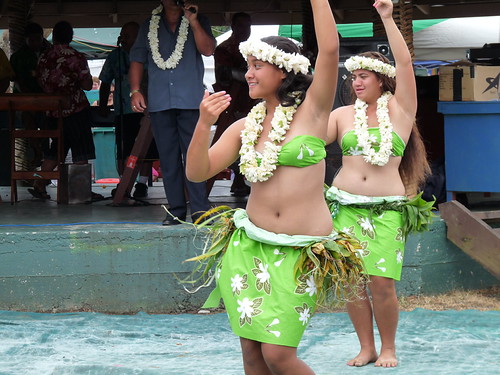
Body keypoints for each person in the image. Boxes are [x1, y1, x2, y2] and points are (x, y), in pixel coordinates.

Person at [186, 1, 366, 374]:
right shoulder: (242, 128)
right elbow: (197, 172)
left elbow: (330, 49)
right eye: (248, 66)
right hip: (249, 248)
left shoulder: (314, 111)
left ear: (284, 73)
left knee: (279, 355)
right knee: (252, 352)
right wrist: (204, 123)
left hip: (299, 253)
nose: (247, 74)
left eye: (256, 66)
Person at [325, 0, 433, 368]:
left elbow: (405, 65)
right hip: (345, 207)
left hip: (386, 210)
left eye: (362, 77)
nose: (354, 82)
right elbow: (306, 144)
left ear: (381, 79)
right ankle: (366, 347)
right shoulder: (340, 116)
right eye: (352, 78)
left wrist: (387, 18)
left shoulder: (401, 112)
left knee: (382, 283)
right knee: (352, 284)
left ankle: (388, 347)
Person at [129, 0, 215, 224]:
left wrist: (193, 22)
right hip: (160, 102)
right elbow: (137, 59)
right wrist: (135, 91)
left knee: (195, 157)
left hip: (190, 101)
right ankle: (176, 210)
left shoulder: (198, 19)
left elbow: (208, 49)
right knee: (168, 159)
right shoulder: (149, 24)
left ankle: (200, 211)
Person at [31, 20, 102, 201]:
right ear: (70, 37)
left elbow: (39, 81)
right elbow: (87, 85)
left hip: (53, 111)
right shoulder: (76, 57)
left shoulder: (44, 58)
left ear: (54, 36)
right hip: (75, 109)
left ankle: (38, 184)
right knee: (81, 150)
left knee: (55, 151)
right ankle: (81, 191)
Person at [99, 21, 158, 199]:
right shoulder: (115, 56)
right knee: (124, 148)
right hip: (123, 109)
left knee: (148, 149)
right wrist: (103, 105)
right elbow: (105, 81)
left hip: (146, 110)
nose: (123, 38)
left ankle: (142, 184)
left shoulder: (149, 55)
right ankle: (124, 183)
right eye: (122, 35)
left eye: (127, 35)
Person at [206, 12, 255, 197]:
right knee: (232, 143)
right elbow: (227, 75)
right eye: (242, 26)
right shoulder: (224, 49)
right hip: (231, 103)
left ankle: (240, 180)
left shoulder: (252, 49)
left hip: (251, 103)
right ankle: (236, 178)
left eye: (248, 26)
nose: (245, 30)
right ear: (234, 27)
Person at [10, 22, 51, 167]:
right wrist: (30, 99)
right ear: (25, 39)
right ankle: (36, 151)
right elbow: (16, 80)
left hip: (46, 100)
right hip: (24, 99)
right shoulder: (18, 57)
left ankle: (44, 155)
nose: (35, 43)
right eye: (31, 40)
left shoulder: (50, 53)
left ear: (42, 38)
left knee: (47, 126)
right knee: (29, 121)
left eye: (38, 39)